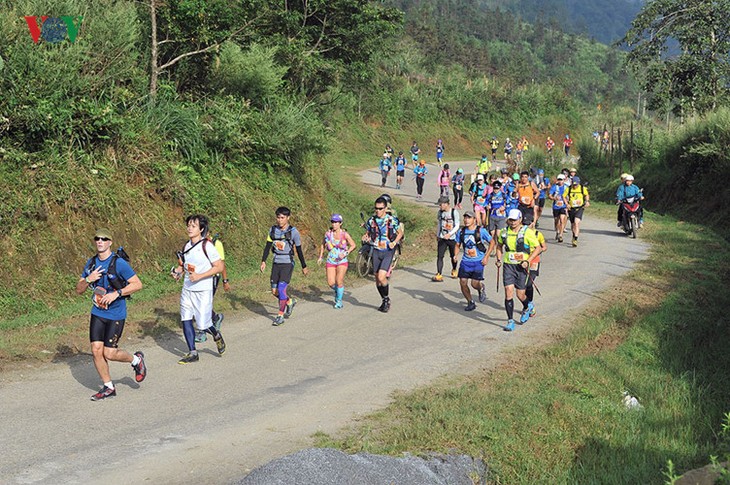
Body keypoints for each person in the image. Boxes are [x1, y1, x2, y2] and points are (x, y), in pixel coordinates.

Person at [77, 228, 145, 400]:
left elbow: (137, 284)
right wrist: (88, 279)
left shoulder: (118, 263)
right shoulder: (91, 263)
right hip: (97, 312)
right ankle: (108, 387)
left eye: (104, 239)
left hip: (116, 314)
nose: (100, 241)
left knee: (109, 353)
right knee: (96, 350)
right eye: (97, 238)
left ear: (110, 242)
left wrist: (117, 293)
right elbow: (78, 290)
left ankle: (136, 360)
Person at [171, 215, 226, 363]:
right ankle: (192, 352)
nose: (189, 228)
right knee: (186, 318)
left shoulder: (207, 246)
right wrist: (177, 273)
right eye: (188, 225)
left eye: (193, 226)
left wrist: (200, 276)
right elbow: (183, 266)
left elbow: (219, 267)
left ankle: (216, 334)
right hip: (187, 289)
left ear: (201, 229)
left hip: (203, 290)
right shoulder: (186, 246)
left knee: (203, 324)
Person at [260, 207, 309, 326]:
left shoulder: (293, 232)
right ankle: (289, 301)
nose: (280, 220)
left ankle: (280, 315)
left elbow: (298, 249)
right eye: (278, 217)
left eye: (282, 218)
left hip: (287, 262)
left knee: (282, 289)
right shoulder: (272, 230)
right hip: (276, 262)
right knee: (274, 291)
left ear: (288, 218)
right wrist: (263, 261)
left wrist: (304, 266)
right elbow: (267, 246)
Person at [495, 209, 543, 331]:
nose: (512, 222)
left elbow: (538, 248)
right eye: (510, 219)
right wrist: (499, 258)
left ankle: (528, 306)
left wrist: (528, 261)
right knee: (508, 291)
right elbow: (499, 246)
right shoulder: (504, 232)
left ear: (520, 219)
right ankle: (510, 321)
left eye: (515, 220)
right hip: (508, 265)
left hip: (522, 266)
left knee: (520, 294)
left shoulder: (527, 232)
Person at [362, 196, 404, 312]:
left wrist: (394, 242)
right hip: (376, 250)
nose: (378, 211)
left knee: (382, 276)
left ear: (385, 208)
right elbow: (369, 232)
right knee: (377, 279)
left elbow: (400, 233)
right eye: (376, 208)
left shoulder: (392, 220)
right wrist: (366, 236)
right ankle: (384, 299)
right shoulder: (372, 220)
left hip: (387, 251)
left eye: (380, 208)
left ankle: (386, 299)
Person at [454, 210, 494, 311]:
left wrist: (486, 256)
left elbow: (492, 242)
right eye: (465, 218)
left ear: (474, 220)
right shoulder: (461, 231)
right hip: (466, 261)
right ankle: (470, 302)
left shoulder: (481, 231)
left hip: (478, 261)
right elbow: (457, 244)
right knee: (463, 282)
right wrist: (455, 255)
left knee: (474, 283)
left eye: (469, 218)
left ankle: (480, 288)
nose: (466, 220)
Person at [195, 232, 230, 343]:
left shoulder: (216, 244)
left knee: (202, 304)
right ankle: (215, 318)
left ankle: (202, 332)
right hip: (200, 278)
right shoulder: (196, 244)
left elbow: (221, 264)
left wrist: (225, 281)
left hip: (212, 278)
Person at [318, 214, 357, 308]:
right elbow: (323, 245)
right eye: (332, 222)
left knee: (339, 280)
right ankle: (339, 291)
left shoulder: (344, 234)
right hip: (330, 260)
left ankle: (339, 301)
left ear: (340, 223)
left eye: (336, 222)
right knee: (331, 283)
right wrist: (320, 256)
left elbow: (353, 245)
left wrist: (346, 253)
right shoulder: (328, 234)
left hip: (342, 261)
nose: (334, 224)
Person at [433, 196, 460, 281]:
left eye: (441, 204)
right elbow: (439, 224)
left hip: (452, 238)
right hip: (442, 237)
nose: (440, 206)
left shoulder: (454, 212)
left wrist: (450, 234)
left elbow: (457, 225)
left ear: (446, 204)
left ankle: (454, 269)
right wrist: (438, 235)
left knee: (453, 256)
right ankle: (439, 273)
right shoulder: (440, 213)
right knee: (440, 256)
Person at [525, 228, 548, 318]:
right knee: (522, 286)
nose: (528, 225)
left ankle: (530, 304)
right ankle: (526, 305)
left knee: (529, 284)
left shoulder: (538, 234)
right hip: (522, 261)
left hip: (534, 261)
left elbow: (544, 247)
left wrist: (537, 251)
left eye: (529, 223)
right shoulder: (521, 233)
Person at [565, 176, 590, 246]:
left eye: (576, 185)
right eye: (574, 184)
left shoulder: (582, 188)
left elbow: (586, 195)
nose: (575, 186)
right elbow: (563, 196)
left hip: (579, 208)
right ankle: (574, 235)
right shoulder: (569, 188)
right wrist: (567, 204)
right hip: (571, 208)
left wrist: (587, 201)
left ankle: (575, 239)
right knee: (573, 224)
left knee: (576, 223)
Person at [549, 174, 569, 242]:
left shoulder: (567, 187)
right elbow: (550, 195)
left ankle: (561, 235)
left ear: (564, 180)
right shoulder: (554, 187)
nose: (560, 181)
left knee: (562, 219)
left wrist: (568, 202)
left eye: (562, 180)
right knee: (556, 220)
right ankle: (557, 231)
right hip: (556, 206)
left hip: (563, 206)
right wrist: (554, 198)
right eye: (559, 180)